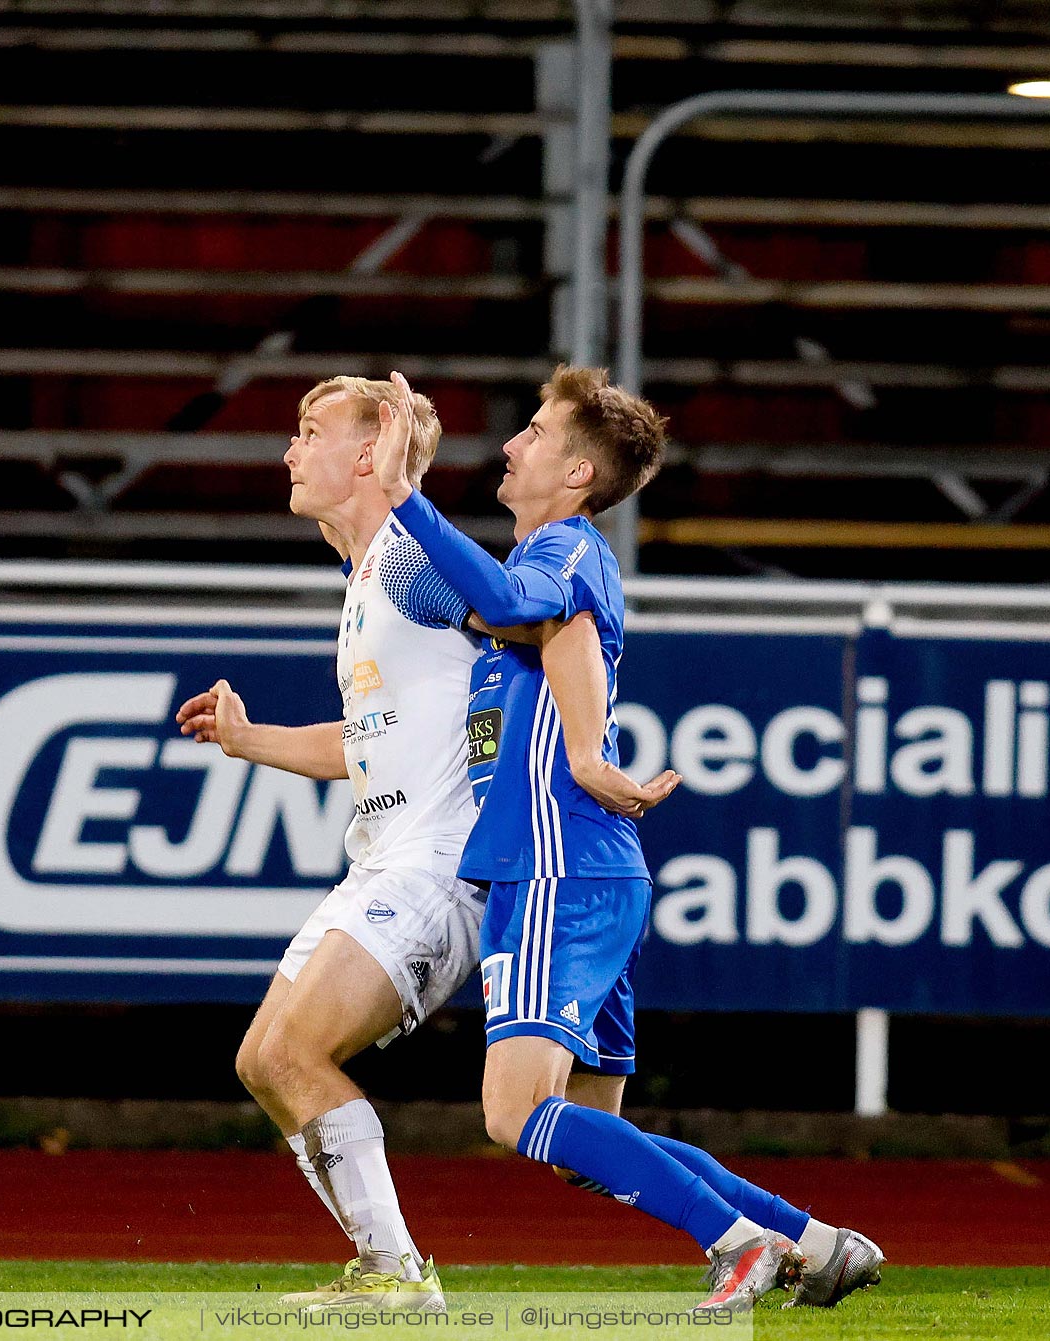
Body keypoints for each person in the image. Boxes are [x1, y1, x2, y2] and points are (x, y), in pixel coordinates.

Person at [370, 366, 883, 1311]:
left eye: (533, 430)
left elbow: (522, 609)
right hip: (587, 868)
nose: (513, 443)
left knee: (514, 1111)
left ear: (575, 475)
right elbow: (488, 605)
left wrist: (404, 491)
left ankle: (738, 1243)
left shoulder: (569, 550)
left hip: (555, 868)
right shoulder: (542, 573)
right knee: (586, 1142)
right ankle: (812, 1241)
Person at [175, 376, 679, 1311]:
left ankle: (395, 1273)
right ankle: (783, 1236)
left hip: (441, 866)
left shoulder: (417, 566)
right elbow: (375, 740)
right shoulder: (371, 574)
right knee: (262, 1060)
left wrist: (583, 742)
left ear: (369, 454)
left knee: (298, 1057)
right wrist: (251, 742)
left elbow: (550, 621)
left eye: (309, 431)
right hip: (388, 855)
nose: (289, 451)